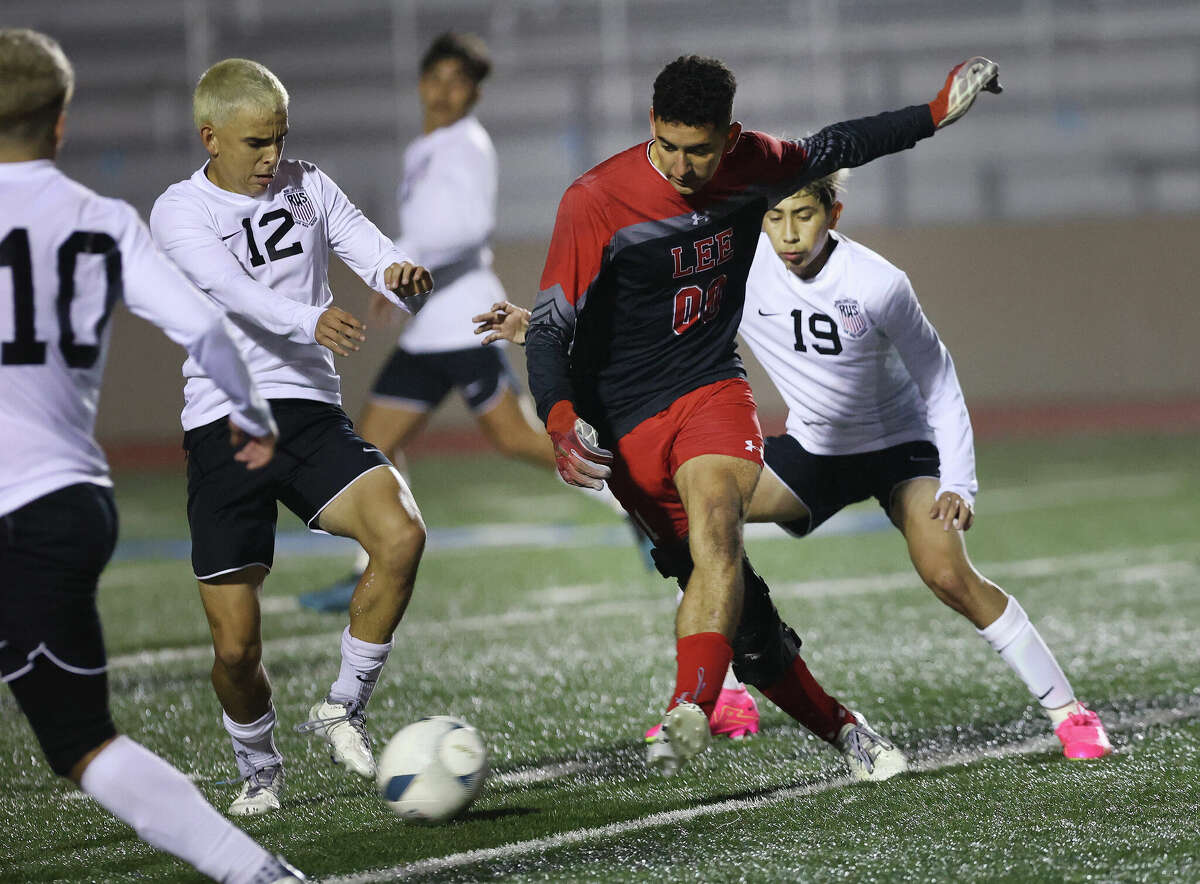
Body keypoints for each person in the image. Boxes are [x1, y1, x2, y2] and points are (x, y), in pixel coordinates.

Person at [473, 169, 1113, 770]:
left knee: (947, 572)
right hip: (815, 453)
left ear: (833, 213)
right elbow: (651, 330)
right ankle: (722, 694)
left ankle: (1069, 712)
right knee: (698, 522)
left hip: (902, 448)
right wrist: (539, 329)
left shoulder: (879, 282)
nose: (787, 233)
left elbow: (938, 379)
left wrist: (959, 481)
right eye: (773, 217)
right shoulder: (742, 265)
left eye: (803, 215)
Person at [522, 53, 1003, 776]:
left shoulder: (754, 164)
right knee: (748, 627)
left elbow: (840, 146)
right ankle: (845, 729)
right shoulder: (595, 199)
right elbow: (552, 326)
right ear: (652, 124)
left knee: (718, 525)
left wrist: (933, 114)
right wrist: (560, 418)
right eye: (670, 147)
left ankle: (688, 705)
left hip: (710, 389)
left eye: (701, 151)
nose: (684, 167)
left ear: (730, 136)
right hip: (623, 423)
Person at [0, 29, 302, 882]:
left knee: (80, 740)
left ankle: (256, 873)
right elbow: (205, 327)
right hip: (63, 502)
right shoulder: (100, 221)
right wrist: (251, 415)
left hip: (15, 513)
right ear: (60, 123)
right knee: (83, 741)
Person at [148, 58, 433, 816]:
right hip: (225, 422)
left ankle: (342, 705)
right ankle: (259, 768)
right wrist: (309, 318)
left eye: (279, 138)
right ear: (210, 137)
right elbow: (229, 289)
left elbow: (365, 243)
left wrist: (398, 271)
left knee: (400, 535)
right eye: (254, 144)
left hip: (306, 410)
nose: (272, 157)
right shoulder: (178, 210)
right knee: (236, 648)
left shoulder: (307, 182)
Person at [301, 32, 629, 613]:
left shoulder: (465, 145)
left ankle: (635, 503)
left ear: (473, 94)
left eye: (462, 82)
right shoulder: (424, 148)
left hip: (466, 319)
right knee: (372, 444)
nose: (447, 91)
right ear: (424, 79)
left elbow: (466, 228)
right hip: (431, 328)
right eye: (440, 77)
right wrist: (397, 275)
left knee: (518, 439)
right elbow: (433, 232)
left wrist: (396, 266)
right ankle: (369, 569)